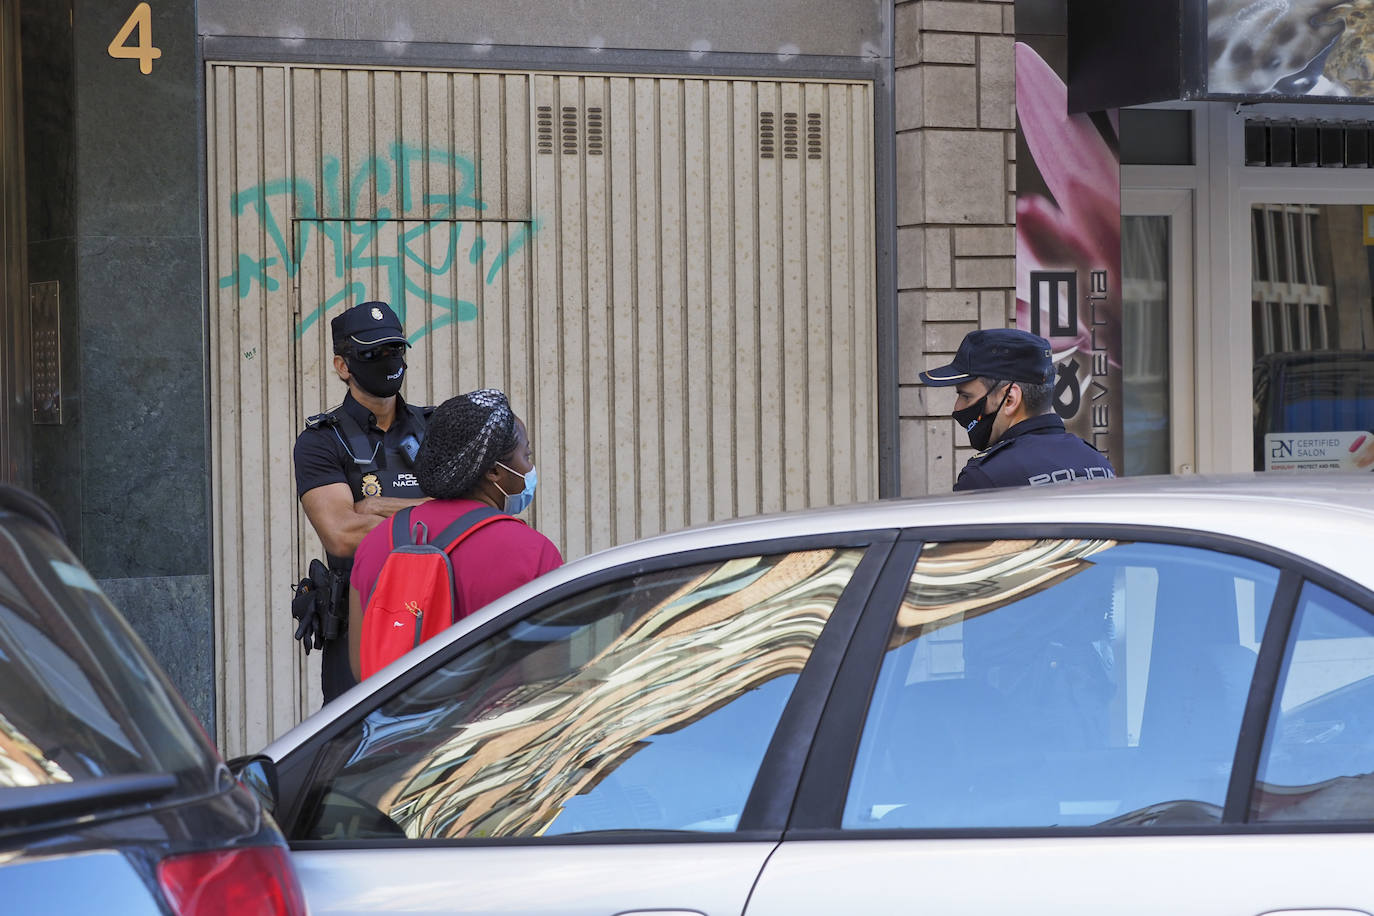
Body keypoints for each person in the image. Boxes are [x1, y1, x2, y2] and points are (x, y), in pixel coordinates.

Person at [347, 388, 563, 682]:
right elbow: (547, 677)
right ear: (494, 472)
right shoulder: (534, 553)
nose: (530, 467)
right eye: (526, 454)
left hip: (395, 727)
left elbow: (363, 669)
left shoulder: (376, 543)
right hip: (491, 727)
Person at [292, 300, 432, 702]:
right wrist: (434, 511)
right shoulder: (321, 441)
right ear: (343, 366)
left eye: (395, 350)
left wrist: (372, 506)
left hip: (437, 621)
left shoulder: (435, 429)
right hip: (361, 629)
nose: (388, 361)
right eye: (372, 354)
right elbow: (342, 534)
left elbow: (479, 511)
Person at [920, 328, 1116, 491]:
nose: (958, 408)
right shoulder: (1098, 464)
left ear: (1010, 400)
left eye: (966, 396)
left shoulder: (985, 479)